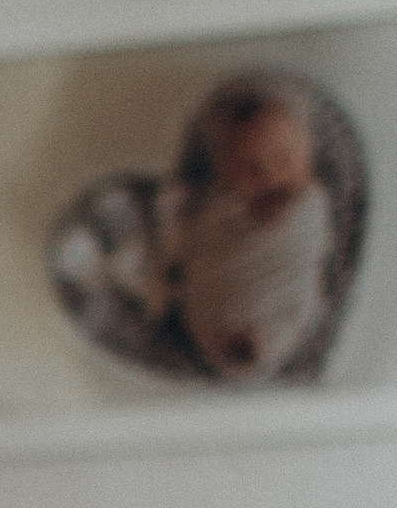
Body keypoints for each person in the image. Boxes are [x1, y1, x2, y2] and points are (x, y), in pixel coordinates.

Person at [46, 66, 367, 392]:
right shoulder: (218, 202)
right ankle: (227, 348)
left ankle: (257, 351)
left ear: (308, 157)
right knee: (196, 287)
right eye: (249, 168)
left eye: (283, 159)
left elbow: (307, 240)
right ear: (225, 171)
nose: (268, 173)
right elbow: (200, 233)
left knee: (283, 324)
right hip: (208, 298)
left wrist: (286, 214)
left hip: (274, 296)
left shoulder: (311, 203)